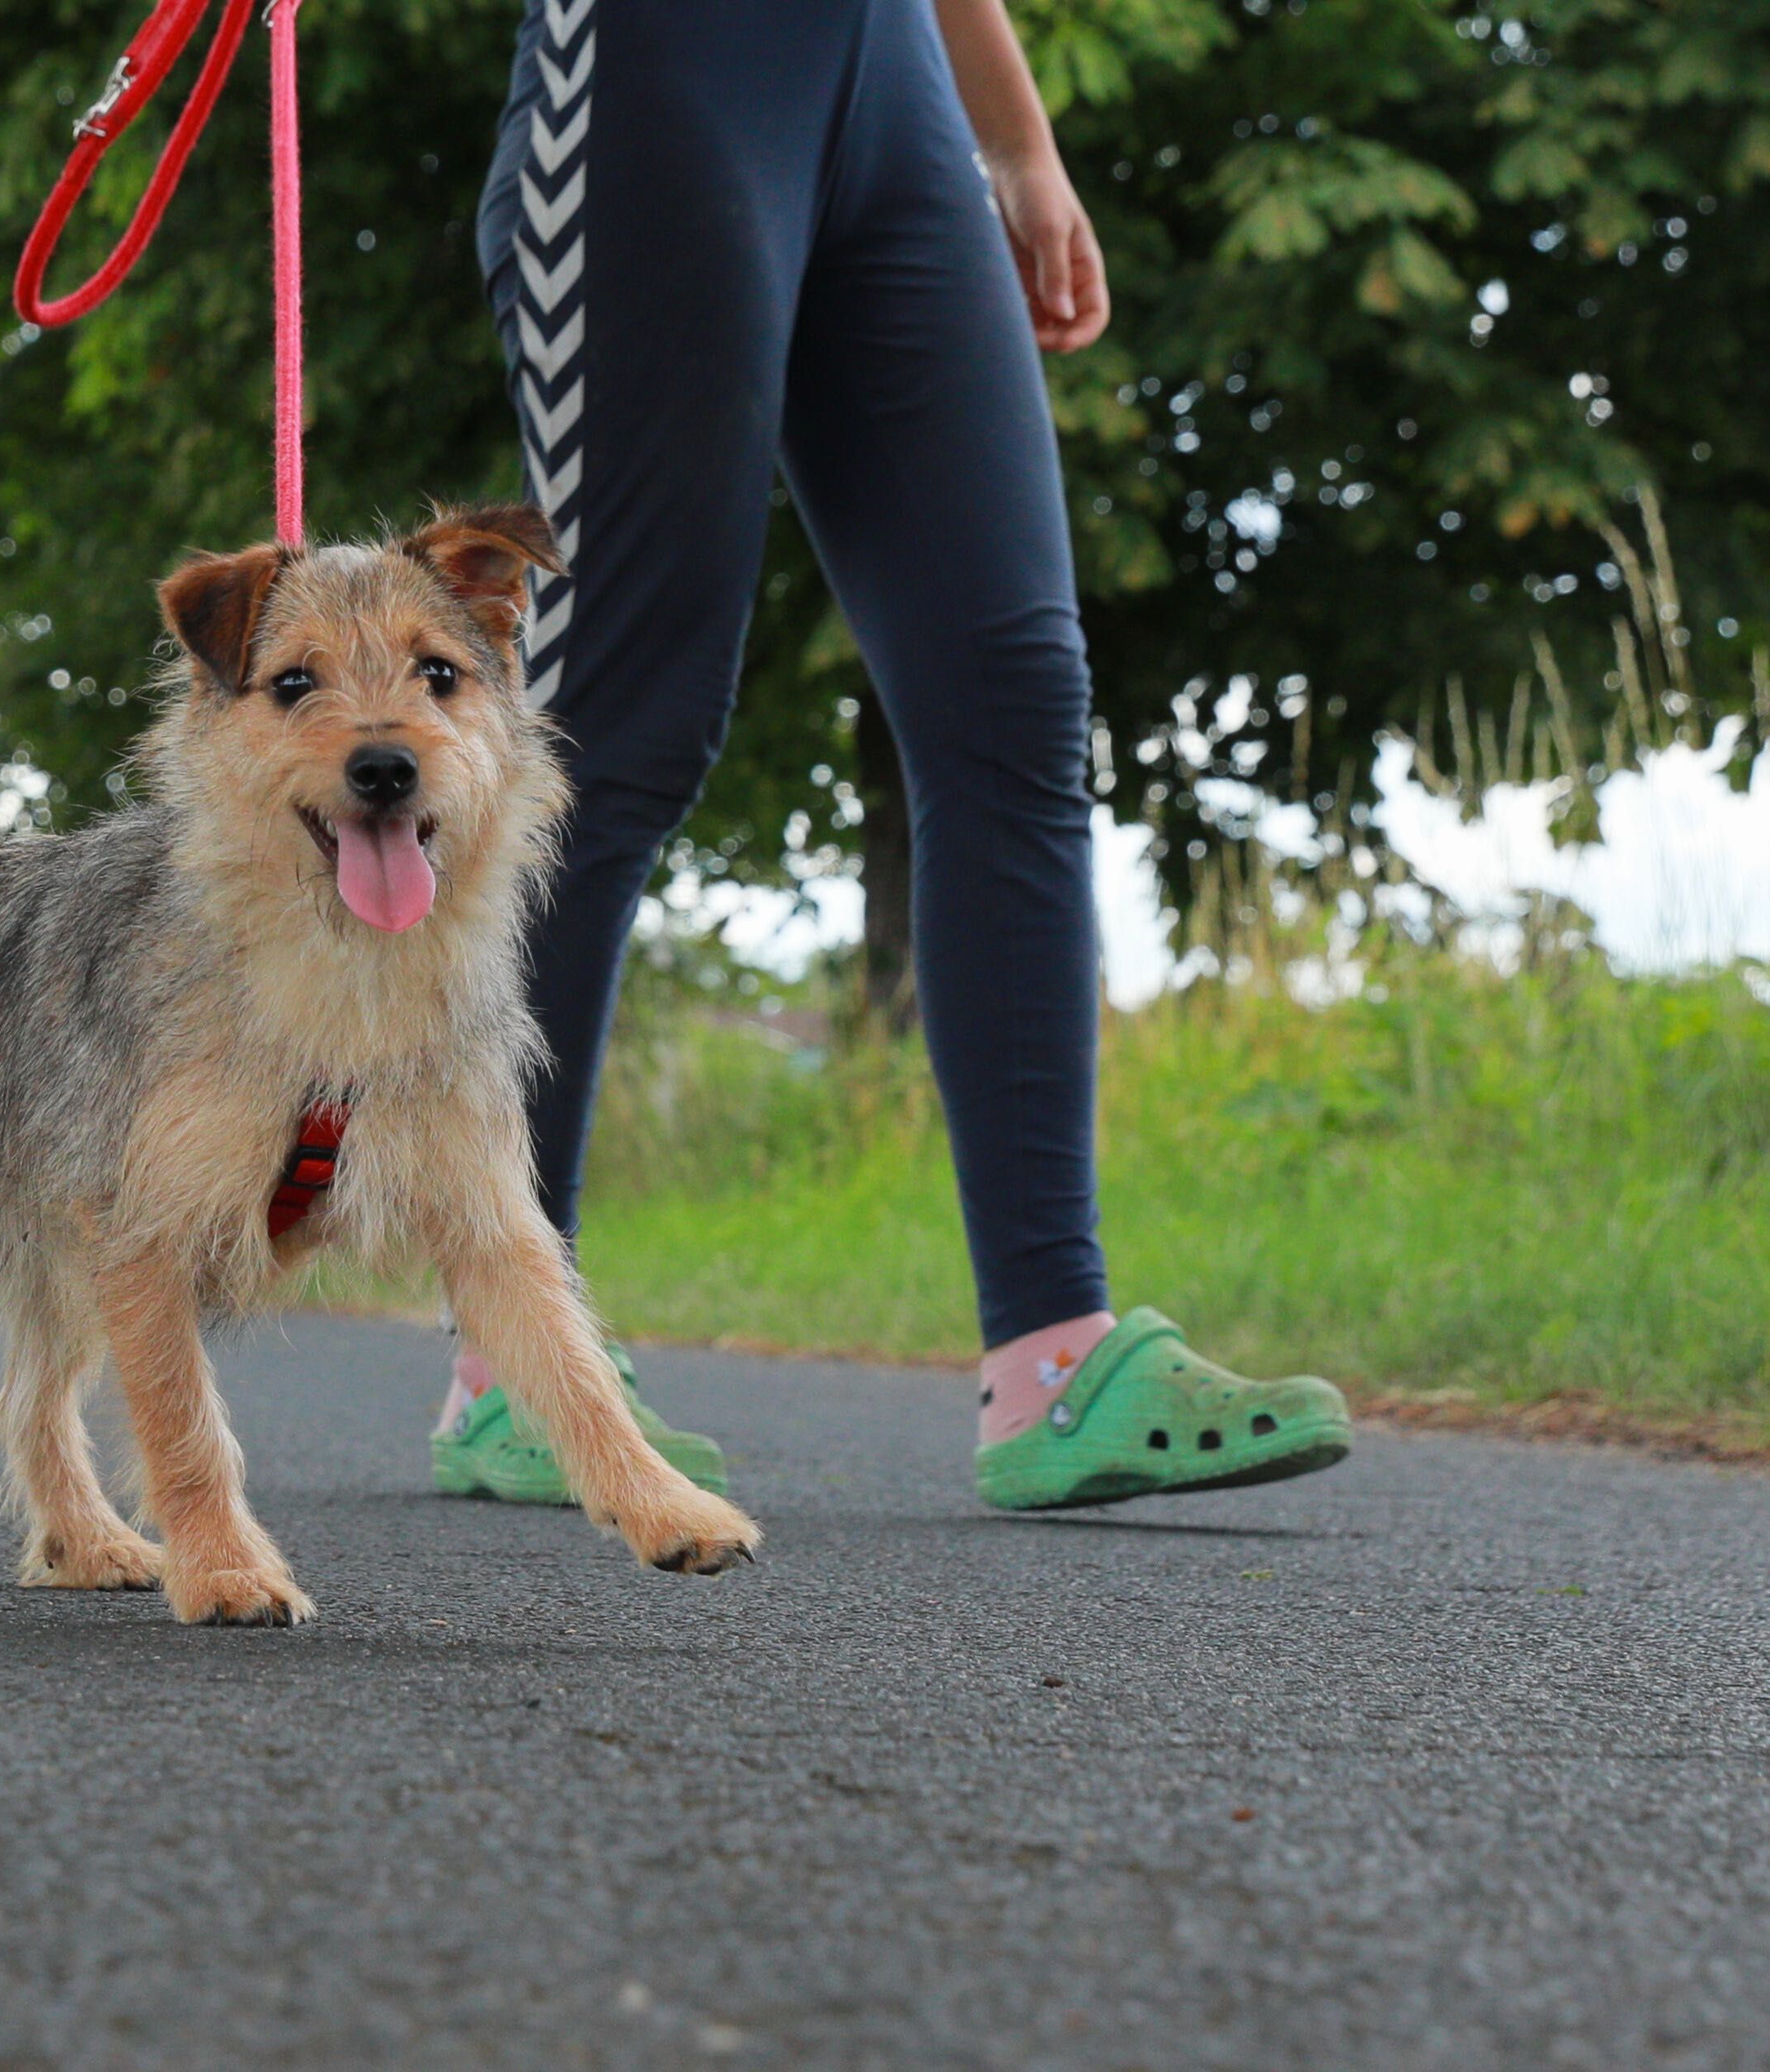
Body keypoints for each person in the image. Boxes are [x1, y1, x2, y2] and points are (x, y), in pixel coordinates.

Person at [429, 0, 1354, 1512]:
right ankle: (509, 1348)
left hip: (897, 87)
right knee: (625, 721)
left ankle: (1058, 1360)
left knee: (1015, 697)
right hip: (655, 83)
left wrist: (1017, 138)